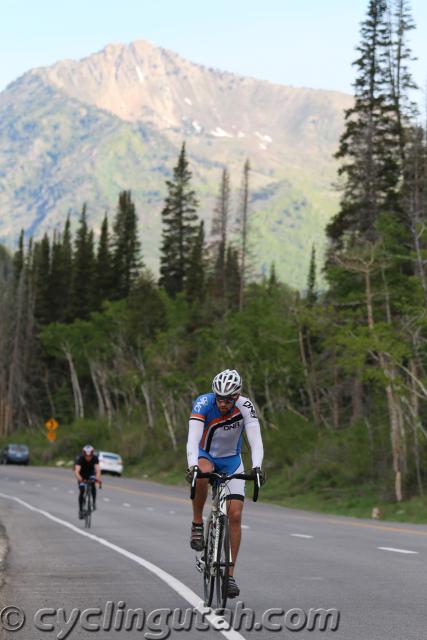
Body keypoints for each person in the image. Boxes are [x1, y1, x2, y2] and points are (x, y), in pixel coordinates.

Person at [186, 368, 265, 599]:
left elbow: (255, 440)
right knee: (201, 472)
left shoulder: (245, 406)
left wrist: (257, 467)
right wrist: (192, 466)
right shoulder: (203, 403)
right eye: (219, 398)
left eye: (228, 398)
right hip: (206, 454)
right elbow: (192, 440)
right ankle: (198, 523)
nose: (222, 403)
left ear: (237, 396)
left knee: (236, 515)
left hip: (232, 460)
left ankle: (229, 576)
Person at [74, 444, 101, 519]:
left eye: (90, 456)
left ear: (92, 454)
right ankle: (81, 510)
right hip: (81, 475)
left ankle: (93, 503)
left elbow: (98, 470)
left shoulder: (95, 458)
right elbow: (76, 472)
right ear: (84, 454)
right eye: (86, 456)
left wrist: (97, 479)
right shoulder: (80, 459)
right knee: (82, 490)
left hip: (91, 474)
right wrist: (81, 480)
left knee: (93, 485)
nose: (88, 457)